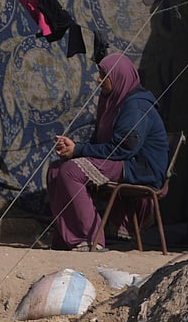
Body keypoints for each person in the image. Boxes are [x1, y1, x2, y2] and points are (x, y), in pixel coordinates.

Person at [46, 52, 169, 251]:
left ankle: (90, 240)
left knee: (70, 171)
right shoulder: (113, 102)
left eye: (104, 75)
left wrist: (79, 150)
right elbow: (100, 143)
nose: (99, 79)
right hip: (121, 160)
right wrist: (73, 148)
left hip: (138, 168)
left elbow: (122, 149)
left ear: (118, 77)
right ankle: (67, 239)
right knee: (55, 170)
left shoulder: (136, 106)